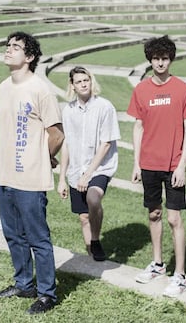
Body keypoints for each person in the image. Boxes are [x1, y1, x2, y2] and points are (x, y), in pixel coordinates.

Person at [0, 31, 64, 315]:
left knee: (38, 238)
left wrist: (42, 157)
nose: (9, 50)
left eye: (16, 47)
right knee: (13, 235)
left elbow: (56, 134)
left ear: (30, 56)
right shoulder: (3, 87)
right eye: (7, 45)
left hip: (31, 178)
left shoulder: (41, 89)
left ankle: (47, 294)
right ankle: (24, 284)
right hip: (6, 174)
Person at [127, 35, 186, 297]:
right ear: (150, 60)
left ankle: (180, 276)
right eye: (156, 58)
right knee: (154, 214)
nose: (160, 63)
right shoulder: (141, 90)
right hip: (148, 164)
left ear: (171, 60)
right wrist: (136, 163)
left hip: (173, 165)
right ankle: (157, 264)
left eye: (164, 58)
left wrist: (182, 165)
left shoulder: (183, 89)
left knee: (174, 218)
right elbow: (138, 127)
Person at [58, 66, 120, 261]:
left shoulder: (104, 107)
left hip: (100, 168)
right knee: (83, 217)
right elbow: (66, 143)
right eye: (79, 81)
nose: (84, 84)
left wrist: (88, 175)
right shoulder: (67, 111)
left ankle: (95, 240)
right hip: (76, 170)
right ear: (72, 86)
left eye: (86, 80)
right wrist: (61, 178)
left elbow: (106, 143)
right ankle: (92, 256)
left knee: (93, 199)